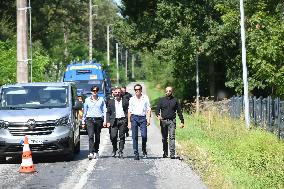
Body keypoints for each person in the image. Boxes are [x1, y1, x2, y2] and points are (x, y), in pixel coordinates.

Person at [155, 86, 184, 159]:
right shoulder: (161, 100)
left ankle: (172, 154)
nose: (168, 92)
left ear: (172, 92)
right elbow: (157, 110)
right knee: (164, 138)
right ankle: (165, 152)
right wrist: (158, 116)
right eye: (167, 91)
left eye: (170, 91)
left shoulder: (175, 100)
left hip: (172, 121)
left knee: (172, 137)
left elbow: (179, 111)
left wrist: (182, 121)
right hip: (163, 121)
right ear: (165, 92)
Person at [82, 86, 106, 160]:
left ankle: (96, 151)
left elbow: (104, 111)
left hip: (99, 119)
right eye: (93, 90)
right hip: (90, 120)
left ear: (98, 91)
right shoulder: (87, 100)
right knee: (91, 136)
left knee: (97, 136)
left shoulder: (101, 100)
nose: (94, 92)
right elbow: (85, 112)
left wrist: (105, 120)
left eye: (96, 91)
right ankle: (91, 152)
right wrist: (83, 121)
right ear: (91, 91)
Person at [128, 84, 151, 160]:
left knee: (144, 136)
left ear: (141, 90)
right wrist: (129, 122)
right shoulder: (132, 99)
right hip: (134, 117)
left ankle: (144, 150)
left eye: (138, 89)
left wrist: (148, 119)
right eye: (135, 90)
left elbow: (148, 109)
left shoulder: (145, 98)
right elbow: (129, 111)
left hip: (143, 118)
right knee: (134, 136)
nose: (137, 91)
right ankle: (136, 153)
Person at [106, 87, 129, 158]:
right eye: (116, 92)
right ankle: (114, 148)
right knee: (113, 136)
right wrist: (107, 121)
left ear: (121, 93)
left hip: (122, 120)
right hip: (114, 121)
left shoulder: (125, 101)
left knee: (122, 136)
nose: (118, 94)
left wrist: (127, 120)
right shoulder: (111, 101)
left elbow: (128, 111)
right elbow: (108, 112)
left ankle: (120, 151)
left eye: (119, 92)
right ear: (114, 93)